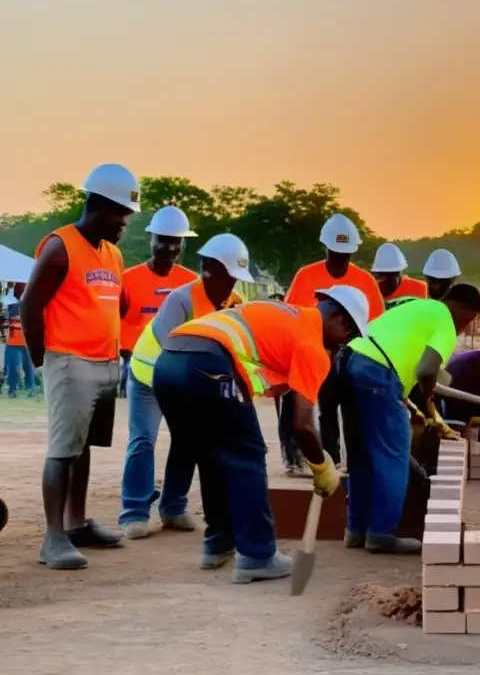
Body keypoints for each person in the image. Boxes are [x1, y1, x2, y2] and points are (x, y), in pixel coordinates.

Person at [153, 287, 368, 583]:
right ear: (340, 319)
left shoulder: (285, 315)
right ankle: (257, 555)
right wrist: (321, 466)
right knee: (248, 456)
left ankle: (218, 544)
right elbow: (303, 425)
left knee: (209, 452)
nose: (346, 344)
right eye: (351, 335)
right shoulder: (312, 346)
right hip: (209, 363)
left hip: (168, 361)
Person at [21, 162, 140, 569]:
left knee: (84, 446)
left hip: (104, 361)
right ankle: (53, 538)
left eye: (127, 214)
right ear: (95, 204)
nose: (124, 221)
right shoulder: (60, 246)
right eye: (119, 212)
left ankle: (76, 524)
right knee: (62, 449)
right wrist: (41, 360)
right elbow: (29, 306)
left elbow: (116, 301)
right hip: (69, 360)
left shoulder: (113, 253)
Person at [119, 234, 251, 539]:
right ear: (208, 269)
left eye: (236, 279)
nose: (232, 285)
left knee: (188, 442)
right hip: (149, 375)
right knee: (143, 441)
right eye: (228, 277)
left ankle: (173, 507)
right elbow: (171, 347)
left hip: (186, 381)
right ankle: (134, 513)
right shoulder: (182, 299)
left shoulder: (234, 302)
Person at [338, 283, 480, 554]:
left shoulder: (416, 306)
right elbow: (427, 370)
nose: (467, 326)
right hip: (381, 374)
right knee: (394, 457)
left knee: (361, 457)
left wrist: (400, 392)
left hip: (352, 364)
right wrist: (428, 404)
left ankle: (355, 530)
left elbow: (398, 350)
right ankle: (380, 534)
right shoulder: (444, 320)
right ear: (462, 307)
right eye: (472, 317)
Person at [282, 215, 384, 473]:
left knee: (346, 404)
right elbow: (290, 313)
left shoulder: (365, 282)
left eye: (346, 255)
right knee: (300, 403)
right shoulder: (306, 276)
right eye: (336, 253)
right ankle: (300, 458)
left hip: (349, 355)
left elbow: (376, 326)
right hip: (310, 352)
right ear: (325, 248)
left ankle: (340, 460)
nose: (341, 260)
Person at [119, 206, 198, 399]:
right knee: (141, 430)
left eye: (176, 242)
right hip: (137, 370)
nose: (170, 248)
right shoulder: (127, 280)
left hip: (179, 371)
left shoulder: (192, 283)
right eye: (163, 240)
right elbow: (114, 322)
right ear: (151, 239)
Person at [3, 282, 36, 398]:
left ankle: (29, 389)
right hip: (15, 342)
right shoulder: (12, 305)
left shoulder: (28, 303)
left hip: (25, 342)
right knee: (15, 368)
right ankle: (14, 389)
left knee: (28, 369)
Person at [372, 242, 428, 309]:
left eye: (388, 276)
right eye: (380, 277)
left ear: (398, 274)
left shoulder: (420, 289)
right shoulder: (370, 292)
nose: (382, 283)